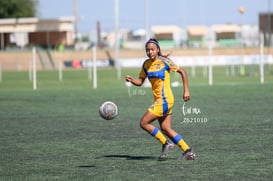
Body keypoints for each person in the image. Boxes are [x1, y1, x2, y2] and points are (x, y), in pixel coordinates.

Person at [125, 38, 196, 160]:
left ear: (158, 50)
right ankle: (188, 151)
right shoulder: (146, 64)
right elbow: (140, 81)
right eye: (147, 50)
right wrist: (132, 80)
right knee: (166, 129)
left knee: (143, 123)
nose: (150, 52)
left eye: (152, 49)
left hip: (165, 100)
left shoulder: (165, 61)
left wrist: (186, 90)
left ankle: (166, 143)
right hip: (160, 101)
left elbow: (182, 72)